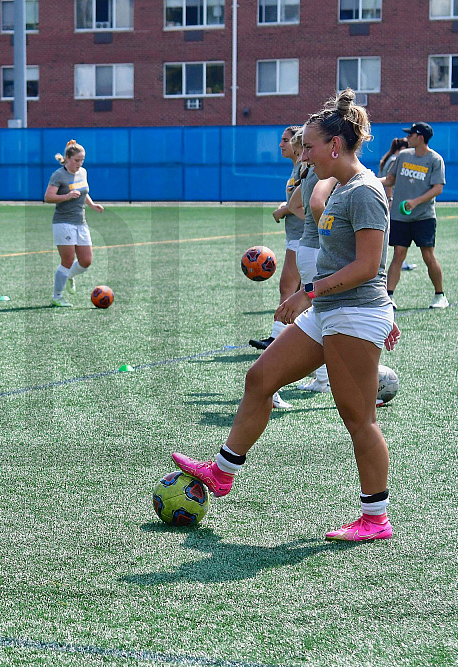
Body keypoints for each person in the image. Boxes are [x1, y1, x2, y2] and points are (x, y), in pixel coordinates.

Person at [171, 89, 401, 542]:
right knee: (260, 378)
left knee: (358, 420)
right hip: (332, 309)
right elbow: (339, 245)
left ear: (334, 146)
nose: (304, 153)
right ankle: (222, 472)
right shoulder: (337, 186)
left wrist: (308, 292)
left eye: (310, 146)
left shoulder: (366, 192)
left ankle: (375, 518)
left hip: (353, 315)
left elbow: (369, 266)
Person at [251, 126, 304, 410]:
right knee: (309, 308)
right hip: (299, 238)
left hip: (307, 240)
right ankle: (322, 378)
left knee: (294, 293)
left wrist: (283, 209)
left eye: (286, 140)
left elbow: (306, 207)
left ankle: (276, 341)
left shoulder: (308, 169)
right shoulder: (300, 170)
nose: (281, 144)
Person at [380, 122, 448, 309]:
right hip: (400, 217)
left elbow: (438, 188)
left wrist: (415, 202)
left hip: (424, 216)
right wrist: (369, 180)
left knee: (428, 255)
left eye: (411, 135)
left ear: (420, 137)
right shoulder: (402, 156)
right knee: (398, 254)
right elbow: (390, 180)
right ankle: (388, 297)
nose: (407, 138)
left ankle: (440, 295)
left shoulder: (435, 159)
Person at [292, 132, 338, 394]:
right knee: (322, 314)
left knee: (318, 312)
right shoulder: (326, 174)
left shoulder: (307, 172)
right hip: (317, 248)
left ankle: (322, 379)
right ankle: (323, 378)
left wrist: (311, 223)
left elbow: (293, 205)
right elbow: (316, 202)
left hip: (306, 247)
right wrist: (329, 233)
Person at [44, 140, 104, 307]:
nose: (79, 163)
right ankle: (57, 296)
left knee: (86, 261)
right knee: (68, 260)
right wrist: (66, 197)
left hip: (80, 222)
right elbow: (48, 197)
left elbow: (83, 191)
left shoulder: (83, 172)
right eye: (76, 160)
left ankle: (69, 276)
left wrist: (92, 205)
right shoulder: (59, 175)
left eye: (82, 160)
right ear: (67, 159)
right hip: (63, 222)